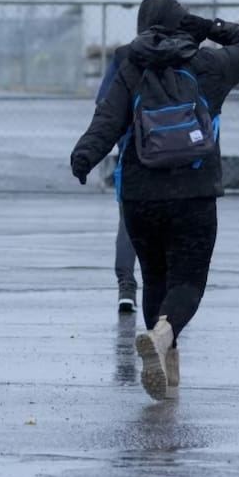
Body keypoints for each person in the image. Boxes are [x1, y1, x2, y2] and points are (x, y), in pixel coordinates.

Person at [70, 0, 239, 400]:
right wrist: (206, 26)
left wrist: (85, 155)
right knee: (189, 281)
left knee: (155, 278)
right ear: (182, 21)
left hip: (141, 196)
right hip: (194, 193)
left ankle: (167, 372)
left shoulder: (130, 63)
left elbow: (107, 121)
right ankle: (164, 335)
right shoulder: (208, 64)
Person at [95, 44, 139, 313]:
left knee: (128, 223)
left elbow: (104, 103)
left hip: (134, 153)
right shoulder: (189, 54)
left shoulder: (126, 56)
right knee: (176, 229)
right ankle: (173, 293)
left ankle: (126, 286)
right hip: (182, 157)